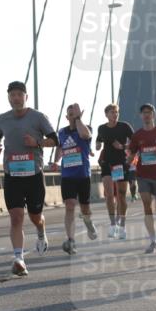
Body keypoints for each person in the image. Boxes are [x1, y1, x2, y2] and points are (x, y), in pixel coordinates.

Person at [0, 81, 58, 276]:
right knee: (16, 217)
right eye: (12, 95)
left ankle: (40, 231)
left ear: (26, 97)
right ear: (8, 98)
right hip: (12, 175)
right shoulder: (3, 119)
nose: (16, 98)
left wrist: (36, 142)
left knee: (35, 216)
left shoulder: (38, 117)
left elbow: (55, 140)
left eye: (20, 94)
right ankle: (19, 258)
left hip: (34, 175)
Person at [127, 103, 156, 254]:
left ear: (153, 114)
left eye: (149, 112)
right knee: (147, 206)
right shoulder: (137, 135)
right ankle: (153, 241)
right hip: (143, 175)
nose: (146, 115)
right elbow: (132, 154)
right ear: (141, 116)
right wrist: (124, 162)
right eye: (144, 113)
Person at [55, 102, 98, 254]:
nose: (73, 116)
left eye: (75, 113)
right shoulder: (61, 132)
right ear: (67, 117)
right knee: (70, 206)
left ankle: (88, 222)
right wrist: (55, 161)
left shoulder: (86, 128)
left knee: (85, 207)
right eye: (71, 114)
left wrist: (79, 119)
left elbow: (85, 135)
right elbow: (60, 147)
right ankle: (71, 240)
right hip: (67, 175)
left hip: (82, 175)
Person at [96, 104, 133, 240]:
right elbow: (98, 140)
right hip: (107, 164)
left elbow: (135, 143)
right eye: (112, 112)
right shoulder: (102, 128)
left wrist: (123, 146)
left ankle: (122, 226)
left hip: (120, 164)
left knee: (122, 196)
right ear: (106, 114)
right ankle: (112, 225)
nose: (115, 114)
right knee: (109, 195)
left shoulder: (125, 127)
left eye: (116, 112)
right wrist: (97, 145)